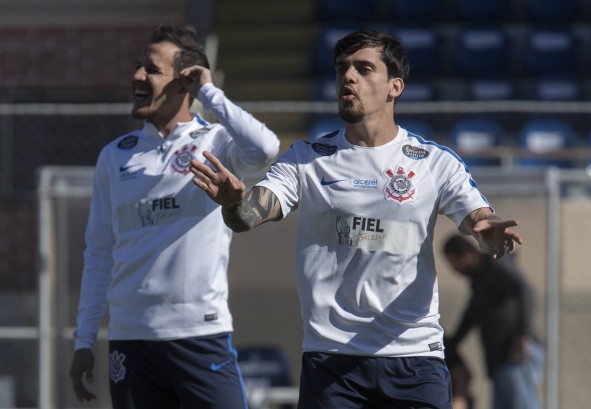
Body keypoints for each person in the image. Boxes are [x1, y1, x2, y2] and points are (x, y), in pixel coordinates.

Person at [190, 30, 522, 409]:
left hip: (415, 359)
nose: (348, 77)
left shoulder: (433, 162)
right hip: (332, 362)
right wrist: (234, 204)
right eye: (342, 69)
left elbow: (477, 218)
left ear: (394, 86)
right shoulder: (305, 158)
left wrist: (489, 232)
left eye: (364, 69)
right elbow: (247, 216)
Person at [68, 24, 280, 409]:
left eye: (150, 69)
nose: (137, 76)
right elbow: (98, 253)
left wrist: (209, 93)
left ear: (185, 84)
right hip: (131, 340)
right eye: (138, 66)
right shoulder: (115, 156)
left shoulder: (215, 143)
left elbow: (265, 147)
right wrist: (84, 340)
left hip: (200, 334)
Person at [443, 234, 544, 409]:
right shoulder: (480, 281)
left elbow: (524, 290)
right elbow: (471, 316)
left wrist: (521, 335)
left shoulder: (494, 266)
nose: (454, 270)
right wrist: (449, 346)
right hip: (501, 360)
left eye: (454, 262)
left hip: (515, 353)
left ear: (467, 254)